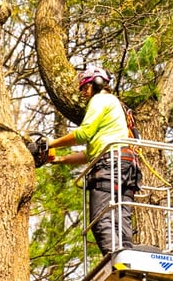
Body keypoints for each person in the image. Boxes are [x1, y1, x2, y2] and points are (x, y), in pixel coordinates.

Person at [46, 66, 142, 256]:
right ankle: (126, 257)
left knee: (101, 219)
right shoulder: (115, 107)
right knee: (121, 219)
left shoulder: (100, 100)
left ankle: (116, 261)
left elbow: (84, 133)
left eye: (85, 88)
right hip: (126, 165)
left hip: (110, 165)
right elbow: (89, 155)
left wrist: (52, 142)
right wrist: (58, 159)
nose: (83, 93)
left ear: (97, 83)